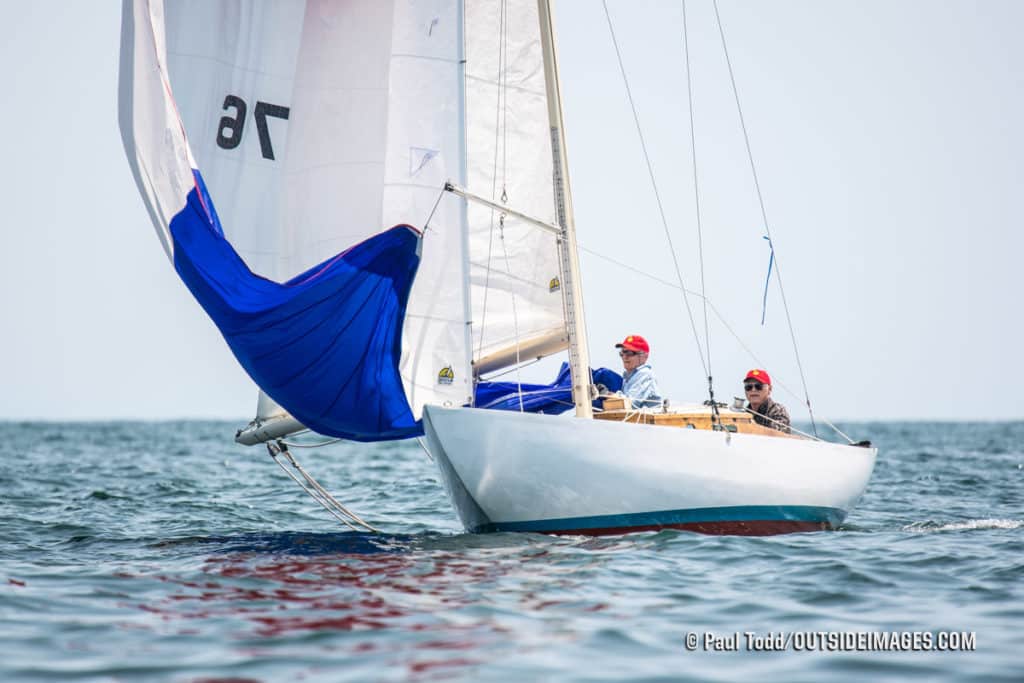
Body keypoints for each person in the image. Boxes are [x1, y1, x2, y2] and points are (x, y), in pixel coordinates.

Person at [616, 335, 661, 409]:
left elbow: (630, 403)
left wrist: (609, 394)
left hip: (644, 419)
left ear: (644, 356)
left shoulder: (645, 374)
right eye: (622, 353)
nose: (624, 357)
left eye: (629, 353)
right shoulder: (628, 376)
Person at [743, 369, 790, 433]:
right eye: (749, 387)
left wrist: (751, 426)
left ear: (769, 389)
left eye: (758, 386)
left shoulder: (778, 411)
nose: (753, 390)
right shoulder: (742, 414)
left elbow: (777, 433)